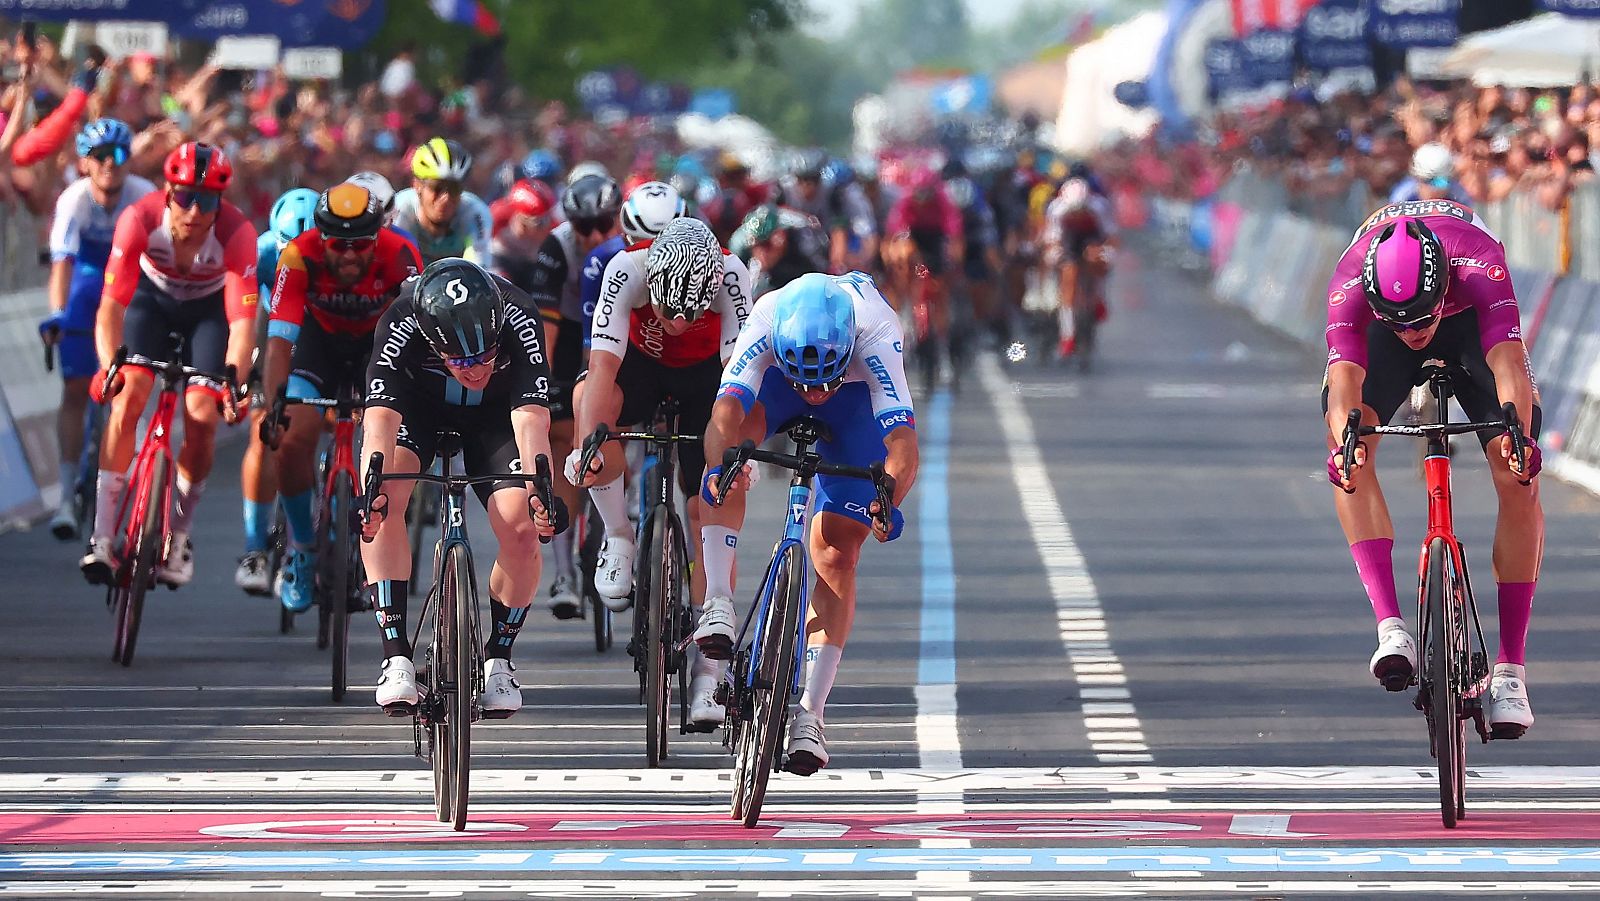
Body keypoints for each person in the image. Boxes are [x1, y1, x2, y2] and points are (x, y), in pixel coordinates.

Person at [1324, 200, 1542, 737]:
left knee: (1517, 473)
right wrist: (1343, 441)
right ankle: (1391, 626)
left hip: (1469, 325)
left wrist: (1522, 437)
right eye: (1399, 322)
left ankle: (1510, 671)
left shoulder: (1479, 261)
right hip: (1389, 326)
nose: (1412, 331)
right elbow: (1346, 377)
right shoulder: (1351, 281)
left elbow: (1508, 363)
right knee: (1352, 450)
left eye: (1420, 318)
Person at [702, 271, 917, 773]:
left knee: (839, 549)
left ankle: (811, 714)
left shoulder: (876, 329)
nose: (815, 391)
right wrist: (719, 466)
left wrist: (888, 499)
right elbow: (727, 409)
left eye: (824, 378)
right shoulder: (766, 319)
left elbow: (902, 441)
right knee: (726, 461)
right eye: (810, 380)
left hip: (855, 403)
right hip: (778, 387)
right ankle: (717, 601)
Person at [567, 217, 752, 726]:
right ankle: (620, 536)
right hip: (640, 367)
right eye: (669, 309)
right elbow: (602, 368)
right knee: (589, 403)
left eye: (692, 312)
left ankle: (711, 662)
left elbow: (740, 384)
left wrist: (734, 455)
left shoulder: (732, 276)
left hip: (707, 379)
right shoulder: (626, 268)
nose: (679, 320)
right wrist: (588, 444)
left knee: (712, 491)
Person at [358, 259, 562, 717]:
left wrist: (541, 492)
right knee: (383, 501)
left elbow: (531, 420)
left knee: (523, 525)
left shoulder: (518, 312)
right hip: (418, 410)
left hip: (495, 419)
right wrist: (370, 490)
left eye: (487, 355)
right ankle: (396, 657)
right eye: (461, 360)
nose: (476, 369)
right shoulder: (402, 317)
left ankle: (499, 658)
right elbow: (380, 420)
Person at [80, 142, 257, 587]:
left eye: (208, 201)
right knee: (130, 397)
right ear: (167, 193)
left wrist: (233, 382)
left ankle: (178, 536)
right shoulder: (138, 218)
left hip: (207, 313)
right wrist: (109, 366)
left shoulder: (237, 234)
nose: (195, 212)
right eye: (184, 197)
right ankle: (101, 537)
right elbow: (111, 308)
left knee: (201, 415)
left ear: (222, 203)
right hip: (149, 305)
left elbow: (241, 323)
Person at [263, 183, 423, 613]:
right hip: (319, 346)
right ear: (320, 237)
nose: (350, 256)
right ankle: (302, 547)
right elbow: (279, 340)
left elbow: (420, 338)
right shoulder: (298, 254)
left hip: (380, 346)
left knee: (394, 443)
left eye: (361, 245)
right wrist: (274, 404)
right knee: (293, 435)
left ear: (378, 237)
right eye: (339, 246)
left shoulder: (401, 252)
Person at [40, 118, 155, 541]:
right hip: (88, 285)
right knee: (74, 390)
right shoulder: (74, 200)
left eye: (119, 155)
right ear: (85, 163)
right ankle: (67, 497)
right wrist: (57, 313)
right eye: (100, 157)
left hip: (130, 284)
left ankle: (131, 488)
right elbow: (63, 266)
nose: (110, 164)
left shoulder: (144, 196)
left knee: (132, 387)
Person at [526, 173, 623, 617]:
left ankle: (626, 513)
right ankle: (563, 571)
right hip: (567, 340)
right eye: (584, 227)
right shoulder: (556, 247)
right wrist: (542, 388)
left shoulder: (632, 246)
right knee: (566, 441)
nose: (595, 236)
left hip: (626, 339)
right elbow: (543, 334)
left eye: (604, 224)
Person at [234, 186, 319, 594]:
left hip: (319, 337)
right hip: (273, 332)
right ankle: (255, 546)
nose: (292, 257)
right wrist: (243, 366)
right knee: (264, 433)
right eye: (287, 246)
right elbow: (246, 313)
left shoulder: (335, 252)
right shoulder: (261, 251)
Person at [391, 137, 494, 268]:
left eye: (454, 188)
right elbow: (391, 267)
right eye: (437, 187)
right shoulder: (401, 208)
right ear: (417, 185)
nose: (445, 198)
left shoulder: (475, 212)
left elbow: (480, 268)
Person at [729, 202, 830, 296]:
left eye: (766, 244)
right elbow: (747, 297)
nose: (763, 253)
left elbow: (815, 227)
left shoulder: (797, 230)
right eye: (758, 245)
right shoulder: (739, 245)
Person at [490, 178, 557, 291]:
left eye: (546, 219)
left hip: (530, 264)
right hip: (501, 260)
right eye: (538, 222)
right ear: (520, 215)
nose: (542, 227)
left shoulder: (552, 226)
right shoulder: (498, 215)